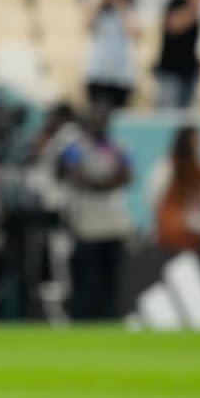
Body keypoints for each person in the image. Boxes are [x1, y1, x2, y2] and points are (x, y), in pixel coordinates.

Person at [60, 103, 131, 319]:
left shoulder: (119, 148)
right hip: (86, 228)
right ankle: (82, 322)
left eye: (104, 119)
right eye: (96, 119)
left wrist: (99, 184)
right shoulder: (76, 149)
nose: (100, 124)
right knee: (85, 283)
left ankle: (110, 320)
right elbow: (74, 174)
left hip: (113, 227)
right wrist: (103, 184)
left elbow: (127, 175)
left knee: (112, 284)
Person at [154, 0, 200, 109]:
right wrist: (194, 4)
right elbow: (173, 26)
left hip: (190, 73)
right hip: (171, 72)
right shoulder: (176, 1)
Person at [85, 0, 139, 109]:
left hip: (121, 75)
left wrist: (119, 3)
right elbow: (87, 24)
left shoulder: (128, 8)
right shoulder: (97, 6)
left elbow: (136, 33)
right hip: (98, 72)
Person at [152, 125, 200, 252]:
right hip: (170, 228)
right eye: (196, 139)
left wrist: (198, 222)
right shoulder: (167, 166)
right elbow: (155, 199)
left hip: (194, 229)